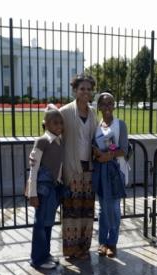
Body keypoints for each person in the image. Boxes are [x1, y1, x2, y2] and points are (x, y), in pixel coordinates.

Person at [59, 74, 97, 259]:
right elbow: (54, 133)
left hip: (88, 167)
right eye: (82, 88)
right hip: (72, 167)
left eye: (89, 89)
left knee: (86, 210)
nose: (86, 92)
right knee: (71, 210)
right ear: (75, 90)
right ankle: (70, 249)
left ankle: (83, 248)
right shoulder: (65, 112)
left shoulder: (93, 113)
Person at [25, 104, 64, 269]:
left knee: (48, 222)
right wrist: (32, 193)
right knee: (40, 223)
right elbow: (34, 169)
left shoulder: (59, 141)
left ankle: (45, 254)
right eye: (55, 123)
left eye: (61, 122)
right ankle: (37, 259)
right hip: (42, 190)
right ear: (46, 124)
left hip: (53, 188)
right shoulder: (42, 141)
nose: (59, 126)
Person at [92, 91, 129, 258]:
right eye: (104, 104)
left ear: (114, 106)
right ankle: (102, 242)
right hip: (101, 172)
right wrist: (96, 153)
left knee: (113, 208)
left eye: (110, 103)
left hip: (116, 171)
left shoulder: (120, 125)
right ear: (99, 107)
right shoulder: (96, 126)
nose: (107, 107)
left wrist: (108, 155)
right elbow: (92, 148)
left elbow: (124, 149)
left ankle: (112, 243)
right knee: (102, 209)